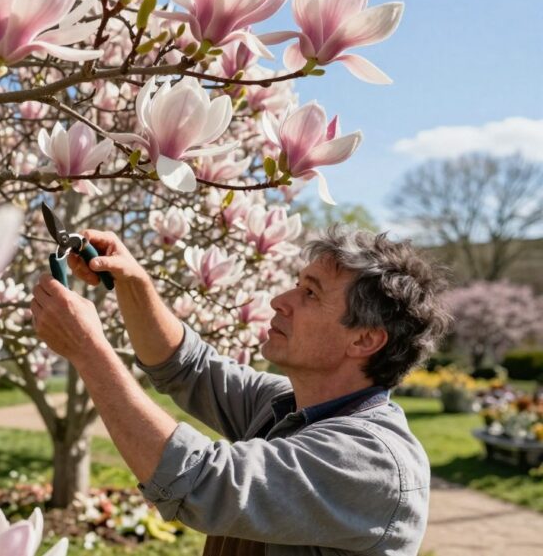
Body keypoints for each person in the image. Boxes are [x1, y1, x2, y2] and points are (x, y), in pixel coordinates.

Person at [30, 225, 451, 556]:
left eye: (309, 293)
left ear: (363, 341)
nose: (280, 301)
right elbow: (189, 367)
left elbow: (202, 483)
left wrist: (89, 351)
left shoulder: (371, 461)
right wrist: (133, 283)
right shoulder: (291, 405)